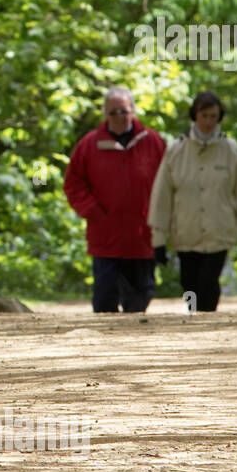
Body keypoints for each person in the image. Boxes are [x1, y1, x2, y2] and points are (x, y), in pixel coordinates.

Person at [147, 90, 237, 313]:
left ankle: (207, 321)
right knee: (189, 283)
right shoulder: (176, 150)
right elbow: (162, 196)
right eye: (204, 115)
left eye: (213, 117)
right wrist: (158, 238)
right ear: (194, 115)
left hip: (219, 232)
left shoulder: (231, 150)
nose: (208, 122)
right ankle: (193, 319)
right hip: (185, 231)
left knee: (208, 282)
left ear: (219, 118)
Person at [64, 86, 167, 313]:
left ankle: (131, 345)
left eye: (123, 111)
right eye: (113, 112)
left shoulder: (153, 141)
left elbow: (170, 183)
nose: (119, 117)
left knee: (141, 296)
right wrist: (92, 211)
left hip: (142, 236)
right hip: (105, 237)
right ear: (104, 114)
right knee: (103, 302)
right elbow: (73, 183)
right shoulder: (89, 144)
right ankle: (102, 346)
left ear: (133, 110)